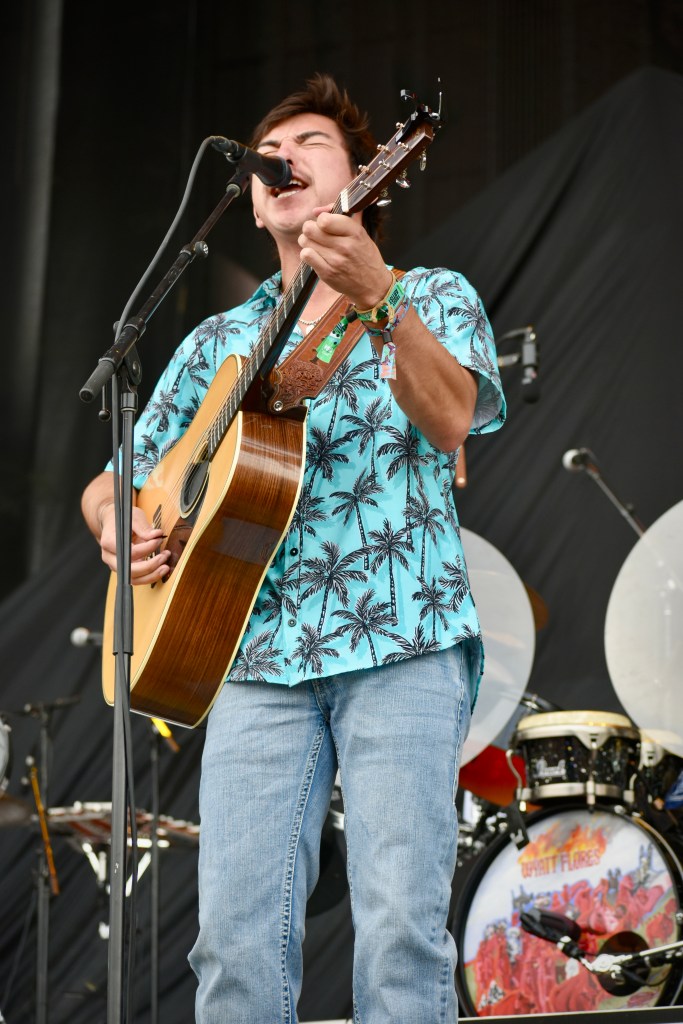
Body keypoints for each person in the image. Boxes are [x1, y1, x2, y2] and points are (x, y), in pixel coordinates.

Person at [81, 73, 505, 1023]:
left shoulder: (430, 292)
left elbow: (451, 420)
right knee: (231, 940)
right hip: (250, 652)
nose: (285, 158)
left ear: (366, 178)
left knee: (399, 927)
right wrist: (122, 523)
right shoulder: (215, 343)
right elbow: (117, 476)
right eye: (272, 151)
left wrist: (381, 298)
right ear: (254, 200)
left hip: (401, 637)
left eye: (311, 142)